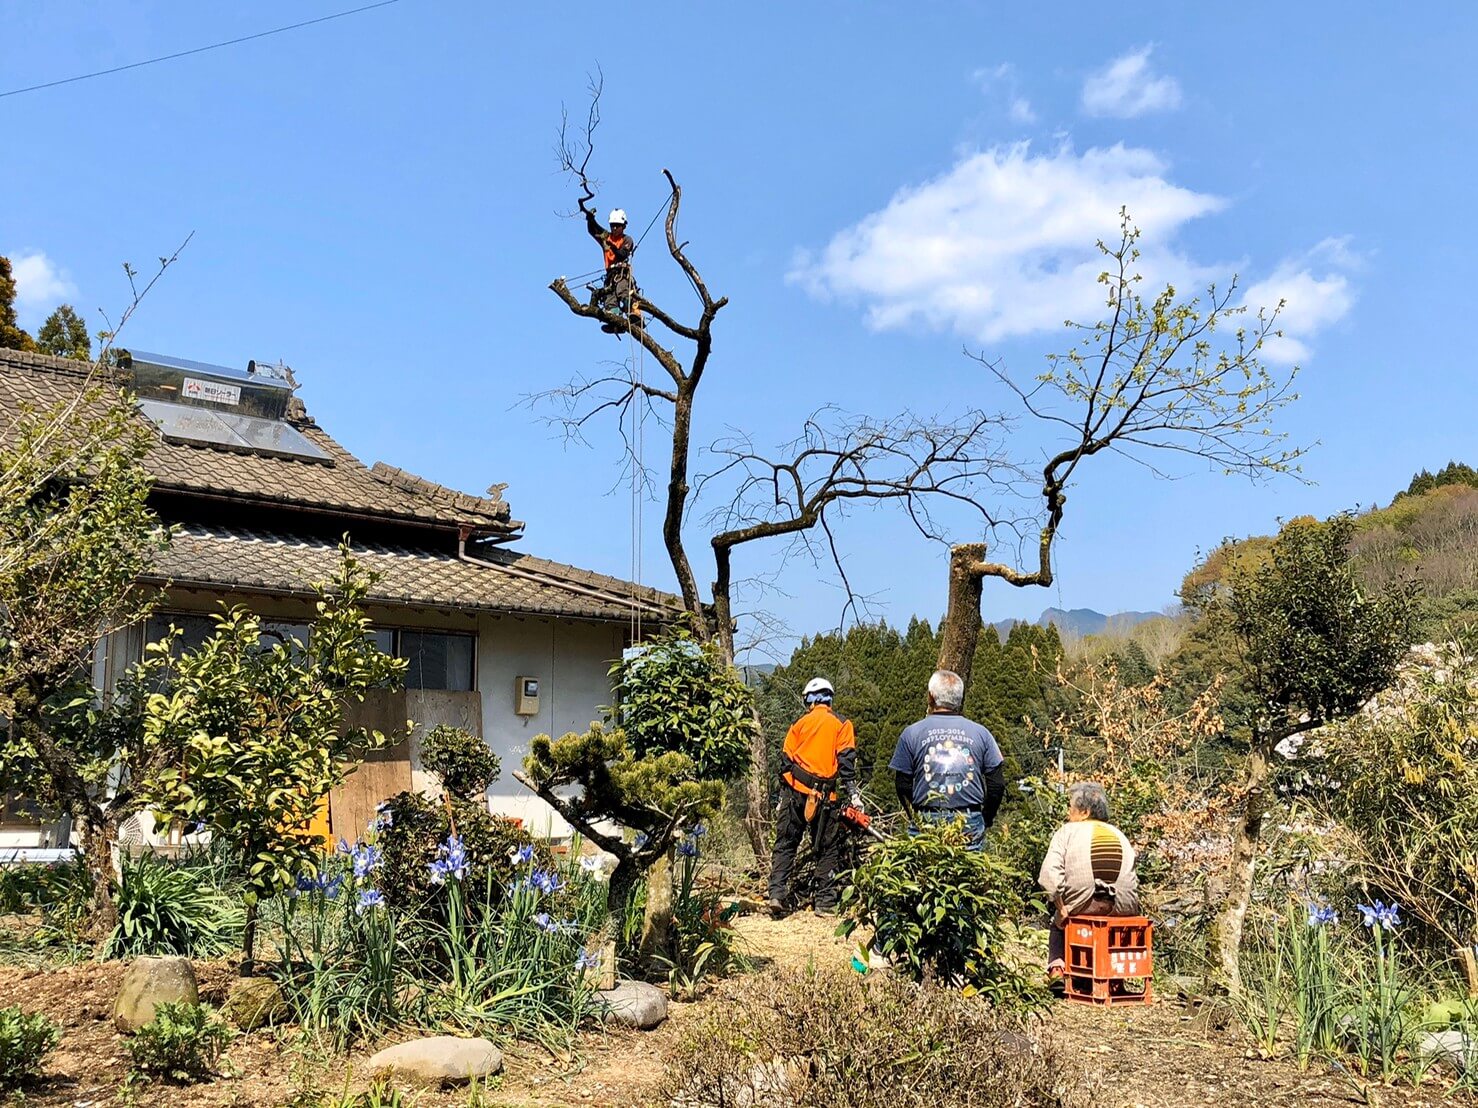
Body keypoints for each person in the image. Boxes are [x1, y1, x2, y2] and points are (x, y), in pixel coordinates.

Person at [1038, 781, 1141, 995]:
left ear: (1084, 812)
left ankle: (1057, 969)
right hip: (1124, 905)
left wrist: (1060, 905)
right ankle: (1111, 977)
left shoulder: (1068, 831)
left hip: (1085, 901)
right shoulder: (1119, 834)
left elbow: (1049, 875)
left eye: (1071, 807)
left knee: (1058, 923)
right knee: (1105, 927)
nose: (1068, 812)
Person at [767, 677, 858, 917]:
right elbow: (846, 760)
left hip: (795, 792)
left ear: (810, 699)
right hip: (827, 795)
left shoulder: (799, 724)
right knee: (828, 848)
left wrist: (781, 797)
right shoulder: (842, 724)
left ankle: (776, 895)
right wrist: (853, 792)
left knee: (786, 844)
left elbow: (785, 762)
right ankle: (825, 902)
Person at [888, 669, 1005, 850]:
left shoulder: (911, 733)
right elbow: (997, 784)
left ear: (931, 697)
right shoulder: (982, 733)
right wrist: (986, 817)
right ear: (959, 698)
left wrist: (915, 816)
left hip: (926, 818)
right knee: (969, 875)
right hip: (969, 819)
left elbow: (902, 784)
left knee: (924, 875)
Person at [584, 207, 644, 333]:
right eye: (613, 226)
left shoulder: (627, 239)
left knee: (622, 292)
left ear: (623, 226)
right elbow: (594, 230)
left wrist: (611, 245)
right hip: (610, 276)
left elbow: (622, 254)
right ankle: (615, 321)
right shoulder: (606, 237)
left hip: (621, 274)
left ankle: (635, 313)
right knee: (610, 300)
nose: (615, 228)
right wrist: (590, 219)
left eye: (617, 225)